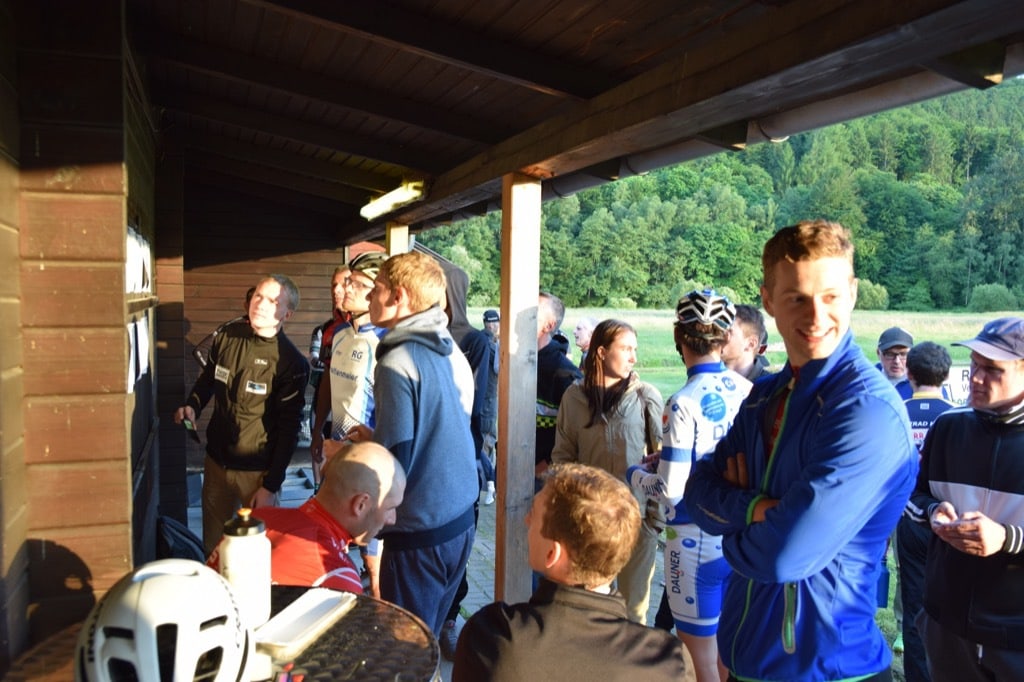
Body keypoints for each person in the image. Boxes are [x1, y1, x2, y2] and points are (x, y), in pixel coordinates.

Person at [684, 220, 917, 681]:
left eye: (830, 297)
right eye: (796, 298)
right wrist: (756, 510)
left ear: (852, 293)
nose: (815, 316)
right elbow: (697, 494)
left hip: (830, 670)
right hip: (749, 662)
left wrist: (731, 531)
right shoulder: (765, 396)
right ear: (768, 300)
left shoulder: (866, 411)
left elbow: (784, 557)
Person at [452, 463, 687, 681]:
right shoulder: (669, 662)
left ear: (552, 554)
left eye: (533, 514)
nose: (526, 520)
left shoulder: (492, 640)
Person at [348, 250, 477, 637]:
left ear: (399, 296)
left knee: (407, 651)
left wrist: (351, 459)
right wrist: (378, 438)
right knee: (428, 640)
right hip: (460, 523)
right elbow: (435, 432)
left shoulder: (396, 361)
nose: (369, 297)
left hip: (421, 535)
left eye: (376, 289)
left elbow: (394, 465)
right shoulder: (445, 345)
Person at [628, 290, 752, 682]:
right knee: (730, 655)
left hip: (692, 541)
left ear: (677, 337)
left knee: (701, 665)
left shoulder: (682, 401)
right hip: (740, 537)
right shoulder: (748, 390)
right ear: (725, 337)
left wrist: (635, 475)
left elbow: (670, 489)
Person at [910, 317, 1024, 682]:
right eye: (974, 364)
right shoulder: (948, 426)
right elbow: (913, 494)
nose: (975, 377)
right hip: (948, 624)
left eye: (992, 369)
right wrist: (932, 511)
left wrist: (1006, 538)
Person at [175, 275, 311, 554]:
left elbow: (289, 430)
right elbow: (208, 380)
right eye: (258, 295)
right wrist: (193, 406)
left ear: (287, 314)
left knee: (256, 553)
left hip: (257, 475)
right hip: (216, 464)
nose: (260, 304)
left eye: (273, 301)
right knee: (214, 548)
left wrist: (271, 486)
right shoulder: (226, 336)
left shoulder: (291, 363)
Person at [551, 319, 662, 623]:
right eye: (626, 349)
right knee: (587, 611)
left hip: (637, 523)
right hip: (590, 521)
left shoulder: (645, 397)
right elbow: (563, 460)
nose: (633, 357)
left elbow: (661, 463)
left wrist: (654, 522)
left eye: (635, 349)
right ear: (601, 352)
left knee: (632, 614)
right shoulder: (574, 397)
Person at [207, 441, 405, 593]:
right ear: (360, 504)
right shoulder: (336, 579)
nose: (392, 519)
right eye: (390, 508)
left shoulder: (255, 521)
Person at [898, 341, 955, 682]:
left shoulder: (897, 409)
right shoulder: (957, 414)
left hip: (905, 515)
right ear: (947, 376)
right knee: (949, 605)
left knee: (914, 605)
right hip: (947, 517)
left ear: (909, 373)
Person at [536, 292, 582, 483]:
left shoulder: (565, 375)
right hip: (509, 469)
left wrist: (542, 468)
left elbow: (576, 435)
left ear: (549, 326)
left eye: (532, 315)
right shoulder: (513, 363)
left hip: (543, 478)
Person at [307, 265, 353, 440]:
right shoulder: (327, 329)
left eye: (344, 284)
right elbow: (327, 375)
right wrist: (317, 428)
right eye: (334, 285)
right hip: (329, 414)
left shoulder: (369, 326)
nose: (336, 290)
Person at [192, 286, 255, 367]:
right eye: (254, 304)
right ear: (246, 305)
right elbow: (200, 350)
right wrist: (214, 373)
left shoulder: (271, 329)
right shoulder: (232, 327)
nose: (260, 308)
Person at [720, 303, 771, 381]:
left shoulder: (768, 386)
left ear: (751, 344)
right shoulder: (708, 379)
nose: (717, 336)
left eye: (728, 332)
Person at [877, 326, 915, 399]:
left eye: (903, 354)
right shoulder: (866, 380)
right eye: (890, 354)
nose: (897, 361)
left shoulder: (921, 382)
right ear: (878, 353)